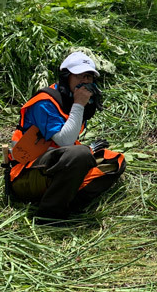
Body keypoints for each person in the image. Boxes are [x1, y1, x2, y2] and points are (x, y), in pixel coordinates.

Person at [7, 51, 126, 222]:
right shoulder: (45, 102)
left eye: (89, 77)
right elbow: (65, 142)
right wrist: (79, 105)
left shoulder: (70, 99)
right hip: (26, 174)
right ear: (66, 77)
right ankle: (49, 216)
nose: (85, 82)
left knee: (115, 161)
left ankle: (70, 201)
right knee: (81, 154)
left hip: (56, 166)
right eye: (79, 76)